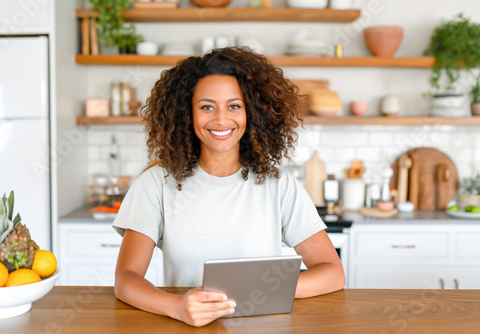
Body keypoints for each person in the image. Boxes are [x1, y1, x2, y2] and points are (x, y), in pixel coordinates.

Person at [112, 47, 345, 327]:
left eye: (234, 106)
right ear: (186, 113)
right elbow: (126, 279)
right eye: (207, 106)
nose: (221, 119)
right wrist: (177, 306)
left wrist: (256, 292)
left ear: (252, 113)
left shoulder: (279, 185)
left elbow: (333, 273)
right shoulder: (155, 184)